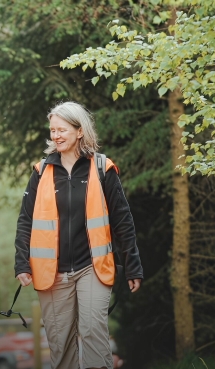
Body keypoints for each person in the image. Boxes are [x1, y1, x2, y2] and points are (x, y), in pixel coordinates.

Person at [14, 101, 143, 369]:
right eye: (53, 130)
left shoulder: (102, 169)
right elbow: (25, 221)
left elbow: (122, 220)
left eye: (62, 130)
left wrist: (133, 266)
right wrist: (21, 263)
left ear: (79, 131)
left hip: (93, 268)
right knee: (61, 346)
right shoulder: (41, 172)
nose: (56, 136)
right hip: (51, 273)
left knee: (94, 334)